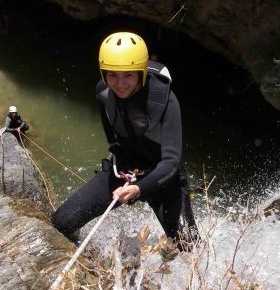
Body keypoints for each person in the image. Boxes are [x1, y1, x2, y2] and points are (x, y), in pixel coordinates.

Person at [51, 32, 198, 251]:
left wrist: (139, 189)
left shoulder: (165, 101)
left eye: (128, 75)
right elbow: (112, 137)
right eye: (112, 75)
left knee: (190, 248)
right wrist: (122, 166)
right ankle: (91, 263)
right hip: (126, 171)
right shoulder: (103, 92)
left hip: (163, 179)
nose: (120, 84)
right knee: (61, 223)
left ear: (141, 73)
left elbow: (171, 162)